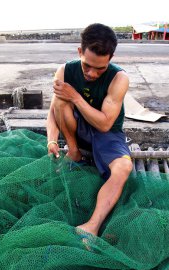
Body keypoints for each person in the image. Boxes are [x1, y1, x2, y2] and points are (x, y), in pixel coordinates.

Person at [46, 23, 133, 236]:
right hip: (77, 131)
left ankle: (92, 225)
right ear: (79, 52)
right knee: (60, 99)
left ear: (110, 58)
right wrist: (51, 140)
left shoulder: (119, 78)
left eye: (100, 68)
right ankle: (74, 152)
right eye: (87, 66)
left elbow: (104, 123)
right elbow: (53, 111)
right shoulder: (65, 70)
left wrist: (75, 95)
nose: (92, 73)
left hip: (107, 132)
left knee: (123, 168)